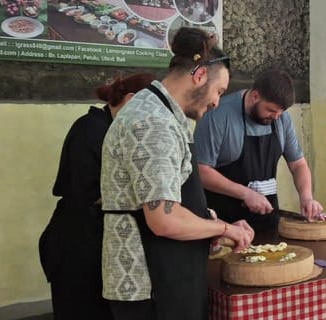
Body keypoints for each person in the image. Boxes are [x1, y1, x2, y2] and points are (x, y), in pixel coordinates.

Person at [100, 28, 254, 320]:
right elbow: (164, 219)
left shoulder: (164, 112)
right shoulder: (153, 121)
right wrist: (224, 230)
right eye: (219, 91)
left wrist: (212, 221)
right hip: (150, 282)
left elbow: (174, 197)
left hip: (167, 274)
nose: (217, 103)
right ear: (199, 76)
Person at [38, 73, 155, 320]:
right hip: (76, 242)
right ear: (131, 100)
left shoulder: (115, 130)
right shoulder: (90, 129)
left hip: (99, 239)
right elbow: (91, 192)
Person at [194, 70, 323, 232]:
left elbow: (298, 164)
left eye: (280, 112)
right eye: (271, 110)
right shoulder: (217, 116)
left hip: (268, 219)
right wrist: (245, 194)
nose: (276, 117)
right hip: (223, 223)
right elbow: (201, 170)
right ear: (255, 96)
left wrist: (306, 197)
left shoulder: (282, 119)